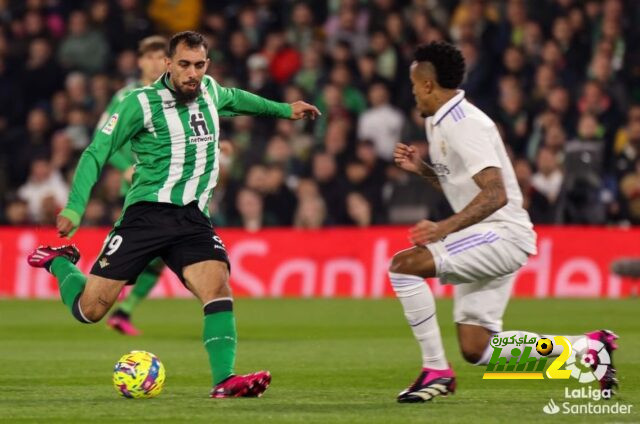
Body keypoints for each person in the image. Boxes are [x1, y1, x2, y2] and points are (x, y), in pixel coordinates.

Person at [27, 31, 320, 399]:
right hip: (146, 215)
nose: (192, 73)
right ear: (168, 64)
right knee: (91, 310)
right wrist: (75, 206)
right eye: (184, 65)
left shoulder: (210, 90)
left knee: (217, 288)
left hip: (193, 218)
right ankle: (59, 264)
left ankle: (224, 379)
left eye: (199, 65)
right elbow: (96, 152)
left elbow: (241, 100)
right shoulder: (140, 103)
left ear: (207, 65)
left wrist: (284, 109)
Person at [389, 41, 618, 403]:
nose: (413, 92)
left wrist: (443, 228)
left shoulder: (465, 123)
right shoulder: (438, 121)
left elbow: (497, 195)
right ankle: (588, 350)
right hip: (485, 235)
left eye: (416, 85)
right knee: (477, 348)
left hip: (500, 234)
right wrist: (423, 170)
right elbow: (460, 183)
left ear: (429, 85)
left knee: (403, 267)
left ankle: (436, 370)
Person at [95, 35, 169, 336]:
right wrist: (126, 168)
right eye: (149, 57)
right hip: (140, 187)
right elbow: (104, 137)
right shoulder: (126, 95)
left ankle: (122, 310)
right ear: (139, 61)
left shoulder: (172, 95)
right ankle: (96, 293)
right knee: (143, 252)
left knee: (160, 255)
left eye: (161, 57)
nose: (155, 63)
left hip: (167, 185)